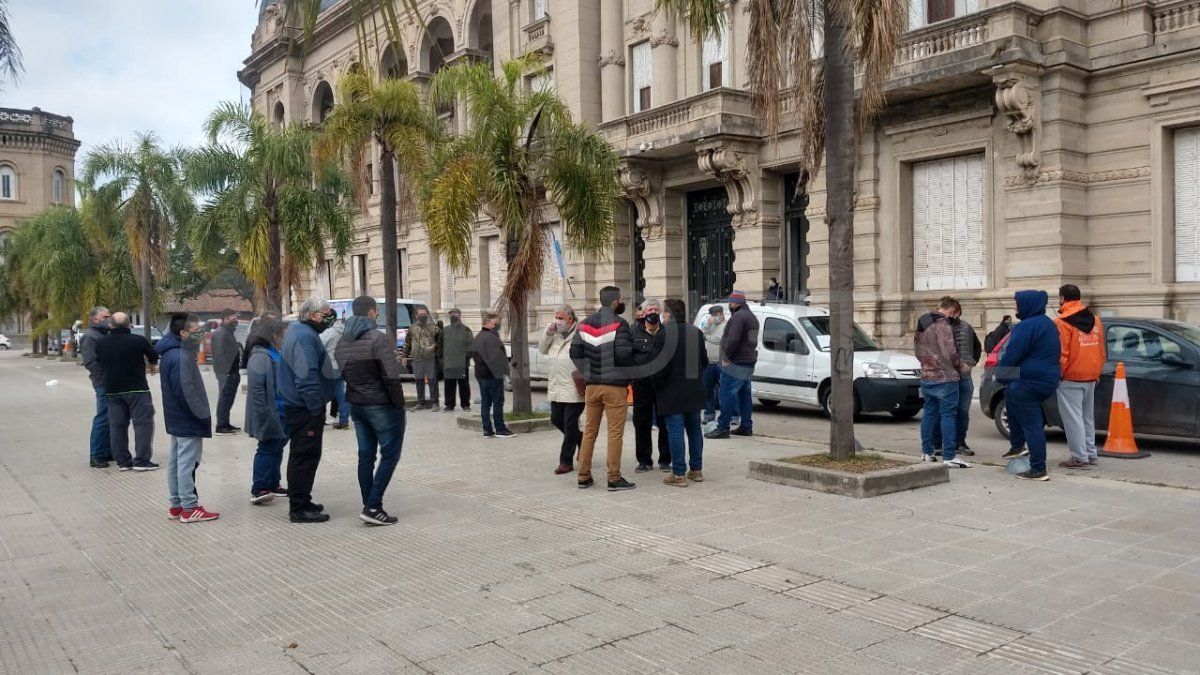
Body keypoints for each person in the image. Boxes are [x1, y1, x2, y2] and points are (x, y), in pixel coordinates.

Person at [336, 296, 408, 525]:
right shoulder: (378, 339)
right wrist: (399, 404)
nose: (377, 314)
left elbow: (343, 374)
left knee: (365, 457)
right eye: (376, 311)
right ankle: (373, 506)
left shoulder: (342, 342)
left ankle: (369, 504)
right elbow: (391, 376)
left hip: (356, 404)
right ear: (370, 313)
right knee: (390, 455)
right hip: (381, 406)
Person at [570, 285, 636, 491]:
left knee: (590, 431)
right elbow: (625, 355)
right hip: (614, 387)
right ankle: (614, 478)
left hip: (592, 387)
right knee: (615, 433)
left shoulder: (584, 324)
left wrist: (588, 372)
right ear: (616, 302)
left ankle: (583, 476)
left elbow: (575, 352)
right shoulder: (620, 324)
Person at [279, 298, 339, 522]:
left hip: (302, 407)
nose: (329, 317)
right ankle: (298, 508)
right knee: (304, 456)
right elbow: (306, 375)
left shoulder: (301, 332)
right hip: (304, 408)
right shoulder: (304, 336)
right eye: (326, 314)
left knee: (305, 455)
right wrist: (316, 408)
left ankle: (303, 499)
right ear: (313, 315)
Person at [156, 313, 219, 523]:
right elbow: (185, 391)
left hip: (176, 418)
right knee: (187, 463)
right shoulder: (180, 356)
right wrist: (201, 413)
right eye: (196, 331)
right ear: (183, 333)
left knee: (177, 462)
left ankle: (177, 505)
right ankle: (189, 507)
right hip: (186, 418)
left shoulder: (172, 353)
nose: (200, 335)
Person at [997, 290, 1062, 481]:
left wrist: (1000, 375)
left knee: (1032, 425)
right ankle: (1017, 446)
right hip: (1047, 380)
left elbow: (1012, 356)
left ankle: (1038, 469)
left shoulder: (1025, 326)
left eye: (1017, 304)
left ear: (1027, 304)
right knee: (1010, 397)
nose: (1016, 308)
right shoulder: (1049, 324)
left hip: (1027, 381)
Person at [654, 299, 709, 487]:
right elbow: (704, 361)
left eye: (663, 312)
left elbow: (658, 368)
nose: (662, 316)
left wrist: (657, 387)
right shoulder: (696, 333)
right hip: (694, 390)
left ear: (668, 314)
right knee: (694, 429)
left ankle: (678, 473)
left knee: (675, 431)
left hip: (672, 391)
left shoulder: (663, 335)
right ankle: (696, 470)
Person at [96, 312, 159, 471]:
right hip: (137, 389)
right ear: (129, 325)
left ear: (111, 325)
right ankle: (142, 461)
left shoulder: (101, 343)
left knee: (117, 426)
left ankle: (123, 461)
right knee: (143, 425)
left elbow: (98, 361)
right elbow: (153, 356)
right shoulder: (138, 341)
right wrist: (150, 364)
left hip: (112, 390)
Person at [914, 298, 970, 468]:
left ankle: (927, 452)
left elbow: (917, 350)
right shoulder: (943, 324)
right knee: (948, 416)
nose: (954, 319)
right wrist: (962, 366)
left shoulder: (922, 321)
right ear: (952, 311)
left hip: (927, 377)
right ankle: (950, 456)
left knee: (929, 414)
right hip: (945, 378)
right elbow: (951, 353)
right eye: (955, 315)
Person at [1055, 284, 1105, 470]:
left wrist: (1059, 375)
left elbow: (1062, 354)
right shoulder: (1096, 320)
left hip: (1071, 377)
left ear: (1062, 299)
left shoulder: (1062, 322)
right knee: (1087, 417)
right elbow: (1100, 349)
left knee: (1072, 419)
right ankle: (1091, 453)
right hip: (1091, 375)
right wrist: (1097, 371)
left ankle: (1079, 457)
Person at [245, 317, 290, 505]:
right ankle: (259, 487)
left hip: (282, 409)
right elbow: (257, 390)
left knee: (277, 447)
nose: (285, 337)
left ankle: (273, 482)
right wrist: (264, 415)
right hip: (269, 411)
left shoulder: (275, 352)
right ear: (273, 335)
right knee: (267, 447)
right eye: (282, 334)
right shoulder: (260, 355)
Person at [705, 291, 758, 439]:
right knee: (744, 394)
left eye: (730, 302)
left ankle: (723, 427)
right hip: (748, 361)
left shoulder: (738, 317)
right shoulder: (752, 317)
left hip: (736, 362)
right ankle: (746, 426)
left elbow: (733, 340)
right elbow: (752, 341)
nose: (729, 305)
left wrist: (727, 356)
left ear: (734, 303)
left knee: (726, 393)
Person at [540, 305, 583, 475]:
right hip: (557, 386)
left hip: (574, 386)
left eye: (560, 318)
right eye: (556, 317)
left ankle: (566, 461)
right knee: (556, 418)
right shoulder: (554, 334)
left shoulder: (579, 333)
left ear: (570, 319)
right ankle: (581, 439)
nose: (557, 321)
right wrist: (548, 334)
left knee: (570, 423)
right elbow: (543, 349)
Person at [630, 297, 669, 473]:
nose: (652, 313)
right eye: (649, 310)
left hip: (663, 386)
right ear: (643, 313)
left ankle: (665, 460)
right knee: (641, 423)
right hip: (642, 385)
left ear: (660, 312)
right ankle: (644, 460)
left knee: (664, 423)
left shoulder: (667, 333)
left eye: (655, 310)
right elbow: (627, 357)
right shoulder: (634, 332)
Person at [942, 297, 981, 457]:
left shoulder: (966, 327)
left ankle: (960, 442)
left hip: (964, 377)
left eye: (950, 312)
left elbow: (977, 347)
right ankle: (943, 443)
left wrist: (972, 362)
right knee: (946, 411)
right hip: (946, 377)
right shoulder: (938, 328)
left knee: (962, 411)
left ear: (956, 312)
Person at [79, 306, 114, 468]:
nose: (108, 319)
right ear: (94, 319)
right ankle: (97, 454)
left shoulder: (105, 334)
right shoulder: (90, 336)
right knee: (102, 417)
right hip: (103, 383)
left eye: (109, 316)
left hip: (112, 381)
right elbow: (91, 362)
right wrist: (104, 379)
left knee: (111, 418)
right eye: (105, 317)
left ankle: (107, 451)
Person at [472, 312, 514, 438]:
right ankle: (500, 429)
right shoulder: (492, 338)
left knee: (485, 402)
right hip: (493, 375)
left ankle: (487, 430)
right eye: (497, 322)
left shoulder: (478, 337)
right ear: (489, 323)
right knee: (497, 402)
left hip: (481, 374)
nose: (499, 325)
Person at [210, 308, 243, 435]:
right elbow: (219, 355)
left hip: (231, 372)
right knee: (224, 398)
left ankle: (225, 422)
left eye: (236, 317)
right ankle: (221, 425)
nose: (236, 320)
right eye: (232, 317)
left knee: (228, 398)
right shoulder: (221, 333)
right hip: (226, 373)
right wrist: (227, 372)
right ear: (225, 319)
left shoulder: (227, 332)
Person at [402, 306, 441, 410]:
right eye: (420, 315)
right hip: (417, 359)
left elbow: (441, 342)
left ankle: (435, 403)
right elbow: (407, 342)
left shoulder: (434, 328)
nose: (422, 316)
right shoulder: (412, 328)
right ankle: (420, 402)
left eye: (424, 315)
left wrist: (435, 347)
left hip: (430, 359)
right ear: (416, 316)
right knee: (419, 381)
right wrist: (404, 356)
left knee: (432, 381)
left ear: (427, 315)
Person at [439, 308, 474, 412]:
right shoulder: (445, 330)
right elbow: (439, 346)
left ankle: (465, 405)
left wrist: (465, 359)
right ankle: (449, 405)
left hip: (462, 364)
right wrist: (442, 360)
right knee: (449, 386)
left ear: (460, 315)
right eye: (451, 314)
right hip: (448, 364)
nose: (453, 316)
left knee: (464, 386)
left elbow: (471, 347)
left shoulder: (466, 330)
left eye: (455, 314)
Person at [319, 314, 350, 429]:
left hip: (328, 366)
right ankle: (344, 420)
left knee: (321, 393)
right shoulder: (347, 333)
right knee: (341, 394)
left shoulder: (329, 333)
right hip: (342, 366)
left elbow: (319, 346)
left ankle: (320, 419)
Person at [700, 305, 727, 424]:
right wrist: (707, 325)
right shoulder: (709, 325)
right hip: (709, 363)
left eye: (715, 315)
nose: (714, 317)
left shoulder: (726, 325)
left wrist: (707, 337)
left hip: (721, 363)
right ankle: (709, 414)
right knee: (707, 389)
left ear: (721, 314)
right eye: (712, 315)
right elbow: (700, 335)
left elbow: (720, 339)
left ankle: (726, 415)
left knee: (724, 390)